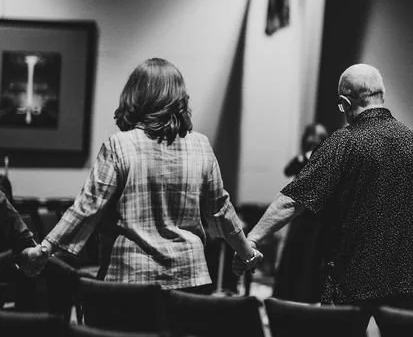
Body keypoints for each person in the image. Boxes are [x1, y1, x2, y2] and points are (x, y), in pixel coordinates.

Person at [236, 63, 413, 312]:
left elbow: (293, 200)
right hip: (405, 282)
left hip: (349, 280)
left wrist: (252, 239)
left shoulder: (342, 144)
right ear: (382, 96)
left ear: (345, 103)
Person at [21, 58, 262, 291]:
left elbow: (88, 207)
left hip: (129, 279)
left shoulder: (119, 145)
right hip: (188, 278)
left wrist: (44, 250)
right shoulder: (200, 145)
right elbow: (221, 210)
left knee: (122, 336)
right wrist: (246, 253)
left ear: (134, 96)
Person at [272, 122, 330, 302]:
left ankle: (307, 295)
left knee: (311, 257)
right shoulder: (301, 159)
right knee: (294, 253)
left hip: (317, 216)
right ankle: (287, 293)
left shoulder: (326, 161)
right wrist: (301, 159)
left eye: (318, 140)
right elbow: (288, 171)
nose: (314, 142)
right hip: (300, 214)